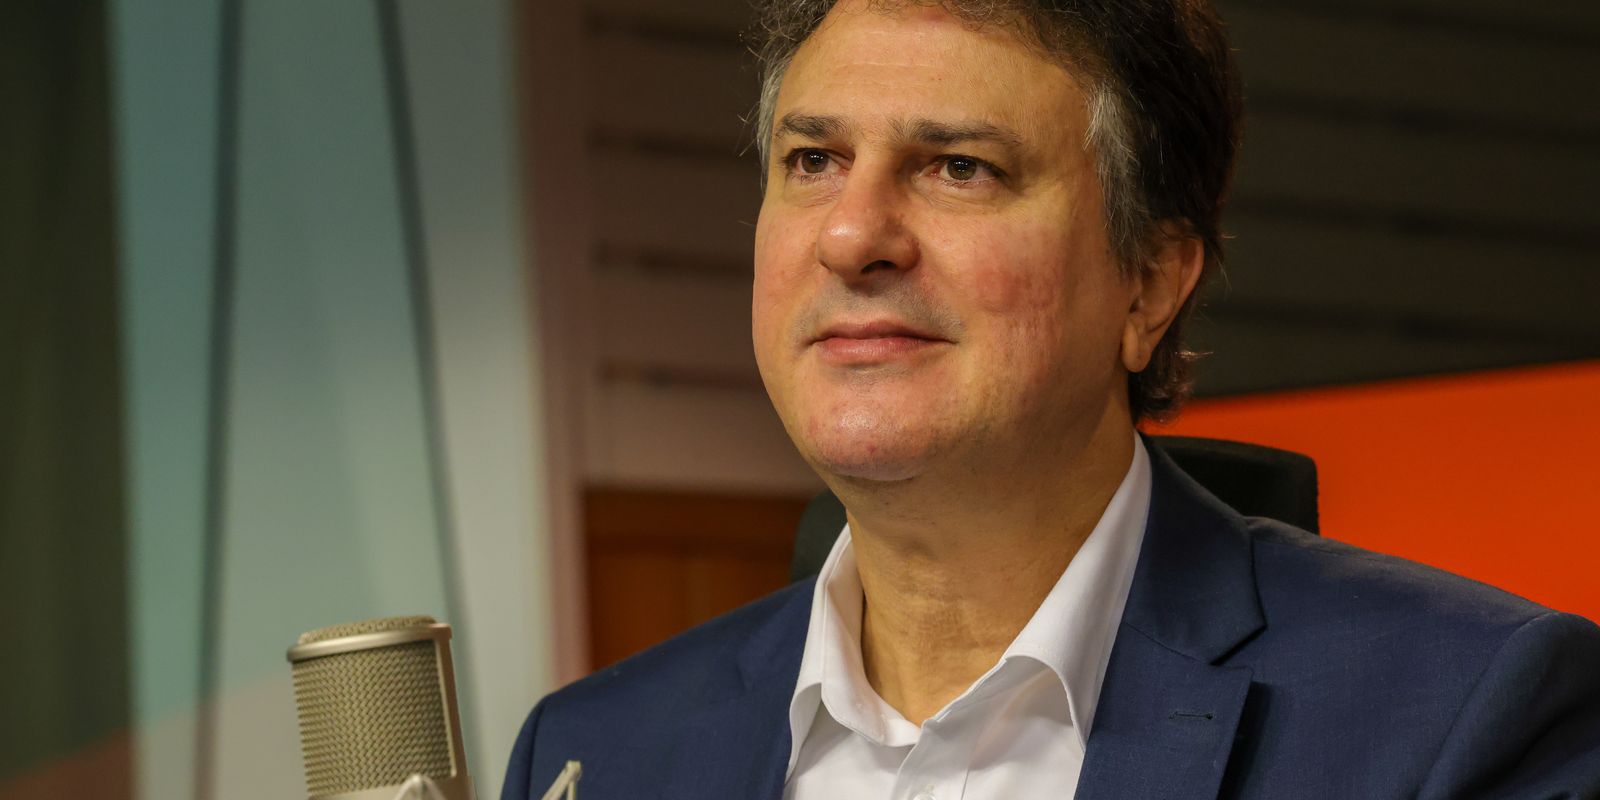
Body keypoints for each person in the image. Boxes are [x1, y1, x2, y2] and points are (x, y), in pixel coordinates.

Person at [502, 0, 1600, 797]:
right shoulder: (594, 753)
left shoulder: (1462, 720)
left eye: (959, 167)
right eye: (813, 159)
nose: (850, 234)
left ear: (1149, 282)